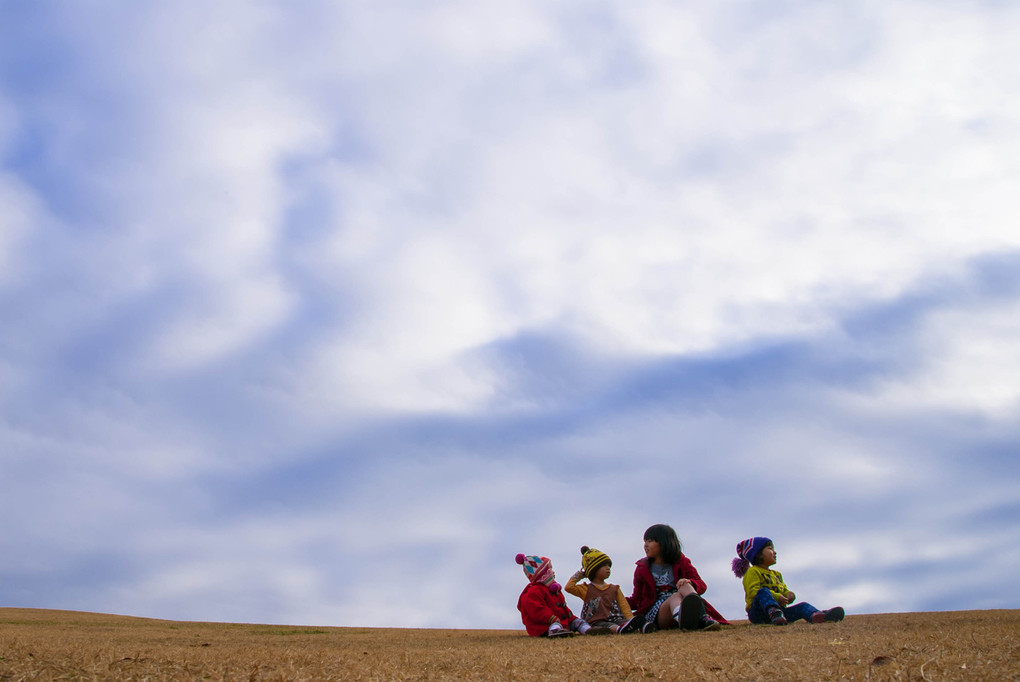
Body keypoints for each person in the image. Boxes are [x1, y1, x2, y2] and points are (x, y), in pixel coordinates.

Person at [628, 524, 728, 633]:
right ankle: (685, 618)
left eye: (650, 541)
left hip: (683, 600)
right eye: (645, 541)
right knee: (675, 596)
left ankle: (700, 618)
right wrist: (614, 600)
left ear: (663, 542)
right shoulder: (642, 569)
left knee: (684, 584)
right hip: (658, 612)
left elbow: (702, 585)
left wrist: (690, 582)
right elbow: (636, 599)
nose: (645, 545)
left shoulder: (682, 562)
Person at [731, 536, 845, 626]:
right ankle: (774, 612)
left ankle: (818, 616)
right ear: (757, 554)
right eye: (770, 549)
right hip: (758, 613)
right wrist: (776, 597)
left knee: (802, 606)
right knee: (763, 591)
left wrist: (788, 595)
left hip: (781, 613)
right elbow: (753, 592)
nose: (775, 552)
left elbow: (783, 589)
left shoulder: (776, 574)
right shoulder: (753, 571)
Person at [515, 553, 598, 637]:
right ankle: (555, 632)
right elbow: (537, 610)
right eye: (550, 568)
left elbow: (563, 609)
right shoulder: (533, 591)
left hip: (563, 622)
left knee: (579, 622)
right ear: (543, 572)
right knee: (555, 625)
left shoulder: (553, 589)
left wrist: (571, 617)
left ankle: (588, 630)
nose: (553, 571)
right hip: (544, 625)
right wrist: (551, 618)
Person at [565, 546, 639, 634]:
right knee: (610, 627)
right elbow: (568, 587)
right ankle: (620, 630)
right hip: (596, 621)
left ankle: (639, 628)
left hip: (616, 618)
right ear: (594, 569)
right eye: (604, 565)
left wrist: (630, 619)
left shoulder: (615, 588)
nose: (608, 568)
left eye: (609, 565)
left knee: (626, 623)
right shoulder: (586, 589)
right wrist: (580, 575)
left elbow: (624, 606)